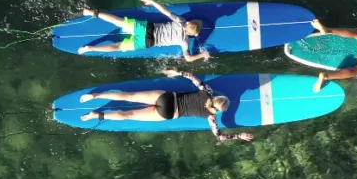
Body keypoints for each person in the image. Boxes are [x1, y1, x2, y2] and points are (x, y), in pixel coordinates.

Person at [78, 69, 255, 142]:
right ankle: (96, 115)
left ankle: (95, 96)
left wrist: (175, 72)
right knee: (129, 115)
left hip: (166, 98)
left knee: (128, 95)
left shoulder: (207, 90)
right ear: (218, 109)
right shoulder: (211, 118)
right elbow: (219, 137)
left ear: (217, 97)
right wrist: (239, 136)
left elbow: (190, 76)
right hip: (169, 113)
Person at [77, 0, 211, 62]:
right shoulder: (185, 41)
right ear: (196, 34)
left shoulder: (180, 21)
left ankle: (92, 13)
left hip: (145, 28)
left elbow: (165, 11)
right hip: (147, 41)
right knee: (118, 47)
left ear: (188, 22)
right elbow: (188, 58)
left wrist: (152, 2)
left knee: (117, 21)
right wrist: (202, 55)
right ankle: (90, 48)